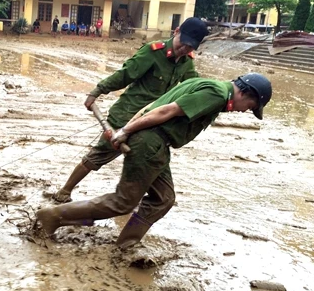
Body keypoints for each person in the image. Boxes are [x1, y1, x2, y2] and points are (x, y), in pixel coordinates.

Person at [36, 74, 272, 254]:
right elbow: (166, 110)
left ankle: (125, 245)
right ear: (246, 94)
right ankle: (53, 215)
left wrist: (126, 130)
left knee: (163, 199)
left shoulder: (206, 83)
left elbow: (151, 106)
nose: (244, 112)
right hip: (151, 142)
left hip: (156, 143)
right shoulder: (216, 94)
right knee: (123, 202)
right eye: (250, 107)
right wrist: (126, 130)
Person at [52, 17, 209, 204]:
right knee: (100, 154)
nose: (184, 49)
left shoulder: (186, 62)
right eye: (183, 44)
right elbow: (125, 74)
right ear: (176, 32)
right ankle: (64, 191)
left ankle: (130, 201)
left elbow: (193, 85)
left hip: (152, 122)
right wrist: (97, 91)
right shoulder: (153, 52)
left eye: (190, 47)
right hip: (126, 115)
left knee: (147, 163)